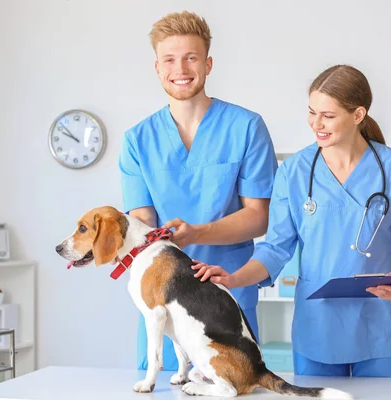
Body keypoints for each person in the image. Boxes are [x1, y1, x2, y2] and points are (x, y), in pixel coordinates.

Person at [193, 65, 391, 377]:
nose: (316, 124)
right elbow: (276, 248)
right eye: (311, 112)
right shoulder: (294, 171)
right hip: (318, 326)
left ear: (358, 115)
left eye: (328, 116)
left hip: (380, 323)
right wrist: (233, 279)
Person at [118, 11, 278, 371]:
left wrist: (199, 233)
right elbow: (141, 221)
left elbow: (258, 216)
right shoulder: (137, 141)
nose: (181, 68)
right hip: (162, 300)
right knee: (160, 387)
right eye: (170, 60)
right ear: (157, 68)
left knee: (232, 383)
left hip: (227, 292)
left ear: (207, 64)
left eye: (191, 57)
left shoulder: (246, 128)